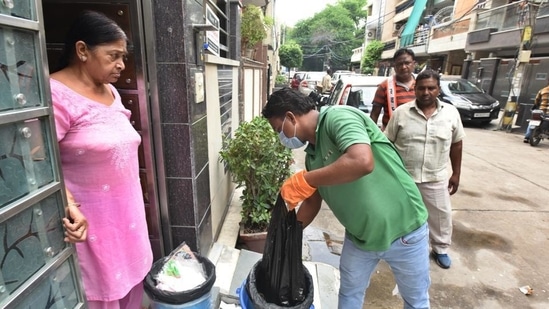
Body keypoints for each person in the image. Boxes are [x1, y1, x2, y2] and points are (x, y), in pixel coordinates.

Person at [262, 87, 430, 308]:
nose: (281, 137)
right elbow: (313, 202)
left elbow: (362, 161)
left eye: (278, 129)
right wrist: (289, 233)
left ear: (291, 117)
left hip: (405, 232)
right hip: (360, 238)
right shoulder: (312, 157)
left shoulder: (338, 117)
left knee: (415, 301)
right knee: (349, 295)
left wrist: (308, 179)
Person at [51, 10, 153, 308]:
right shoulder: (55, 94)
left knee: (132, 292)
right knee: (103, 296)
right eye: (113, 56)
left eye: (123, 56)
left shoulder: (110, 91)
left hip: (127, 218)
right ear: (82, 50)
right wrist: (68, 203)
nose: (122, 65)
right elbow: (39, 163)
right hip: (93, 227)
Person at [384, 70, 465, 269]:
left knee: (440, 215)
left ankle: (440, 249)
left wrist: (456, 173)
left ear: (438, 89)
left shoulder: (451, 113)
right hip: (403, 177)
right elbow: (386, 143)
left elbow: (457, 144)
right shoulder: (401, 113)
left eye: (431, 88)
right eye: (421, 88)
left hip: (435, 176)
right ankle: (394, 246)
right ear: (415, 89)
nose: (426, 92)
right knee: (397, 213)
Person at [370, 48, 417, 129]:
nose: (404, 67)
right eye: (399, 64)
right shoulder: (384, 86)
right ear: (394, 66)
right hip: (390, 137)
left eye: (407, 63)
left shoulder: (422, 85)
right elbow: (374, 115)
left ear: (414, 64)